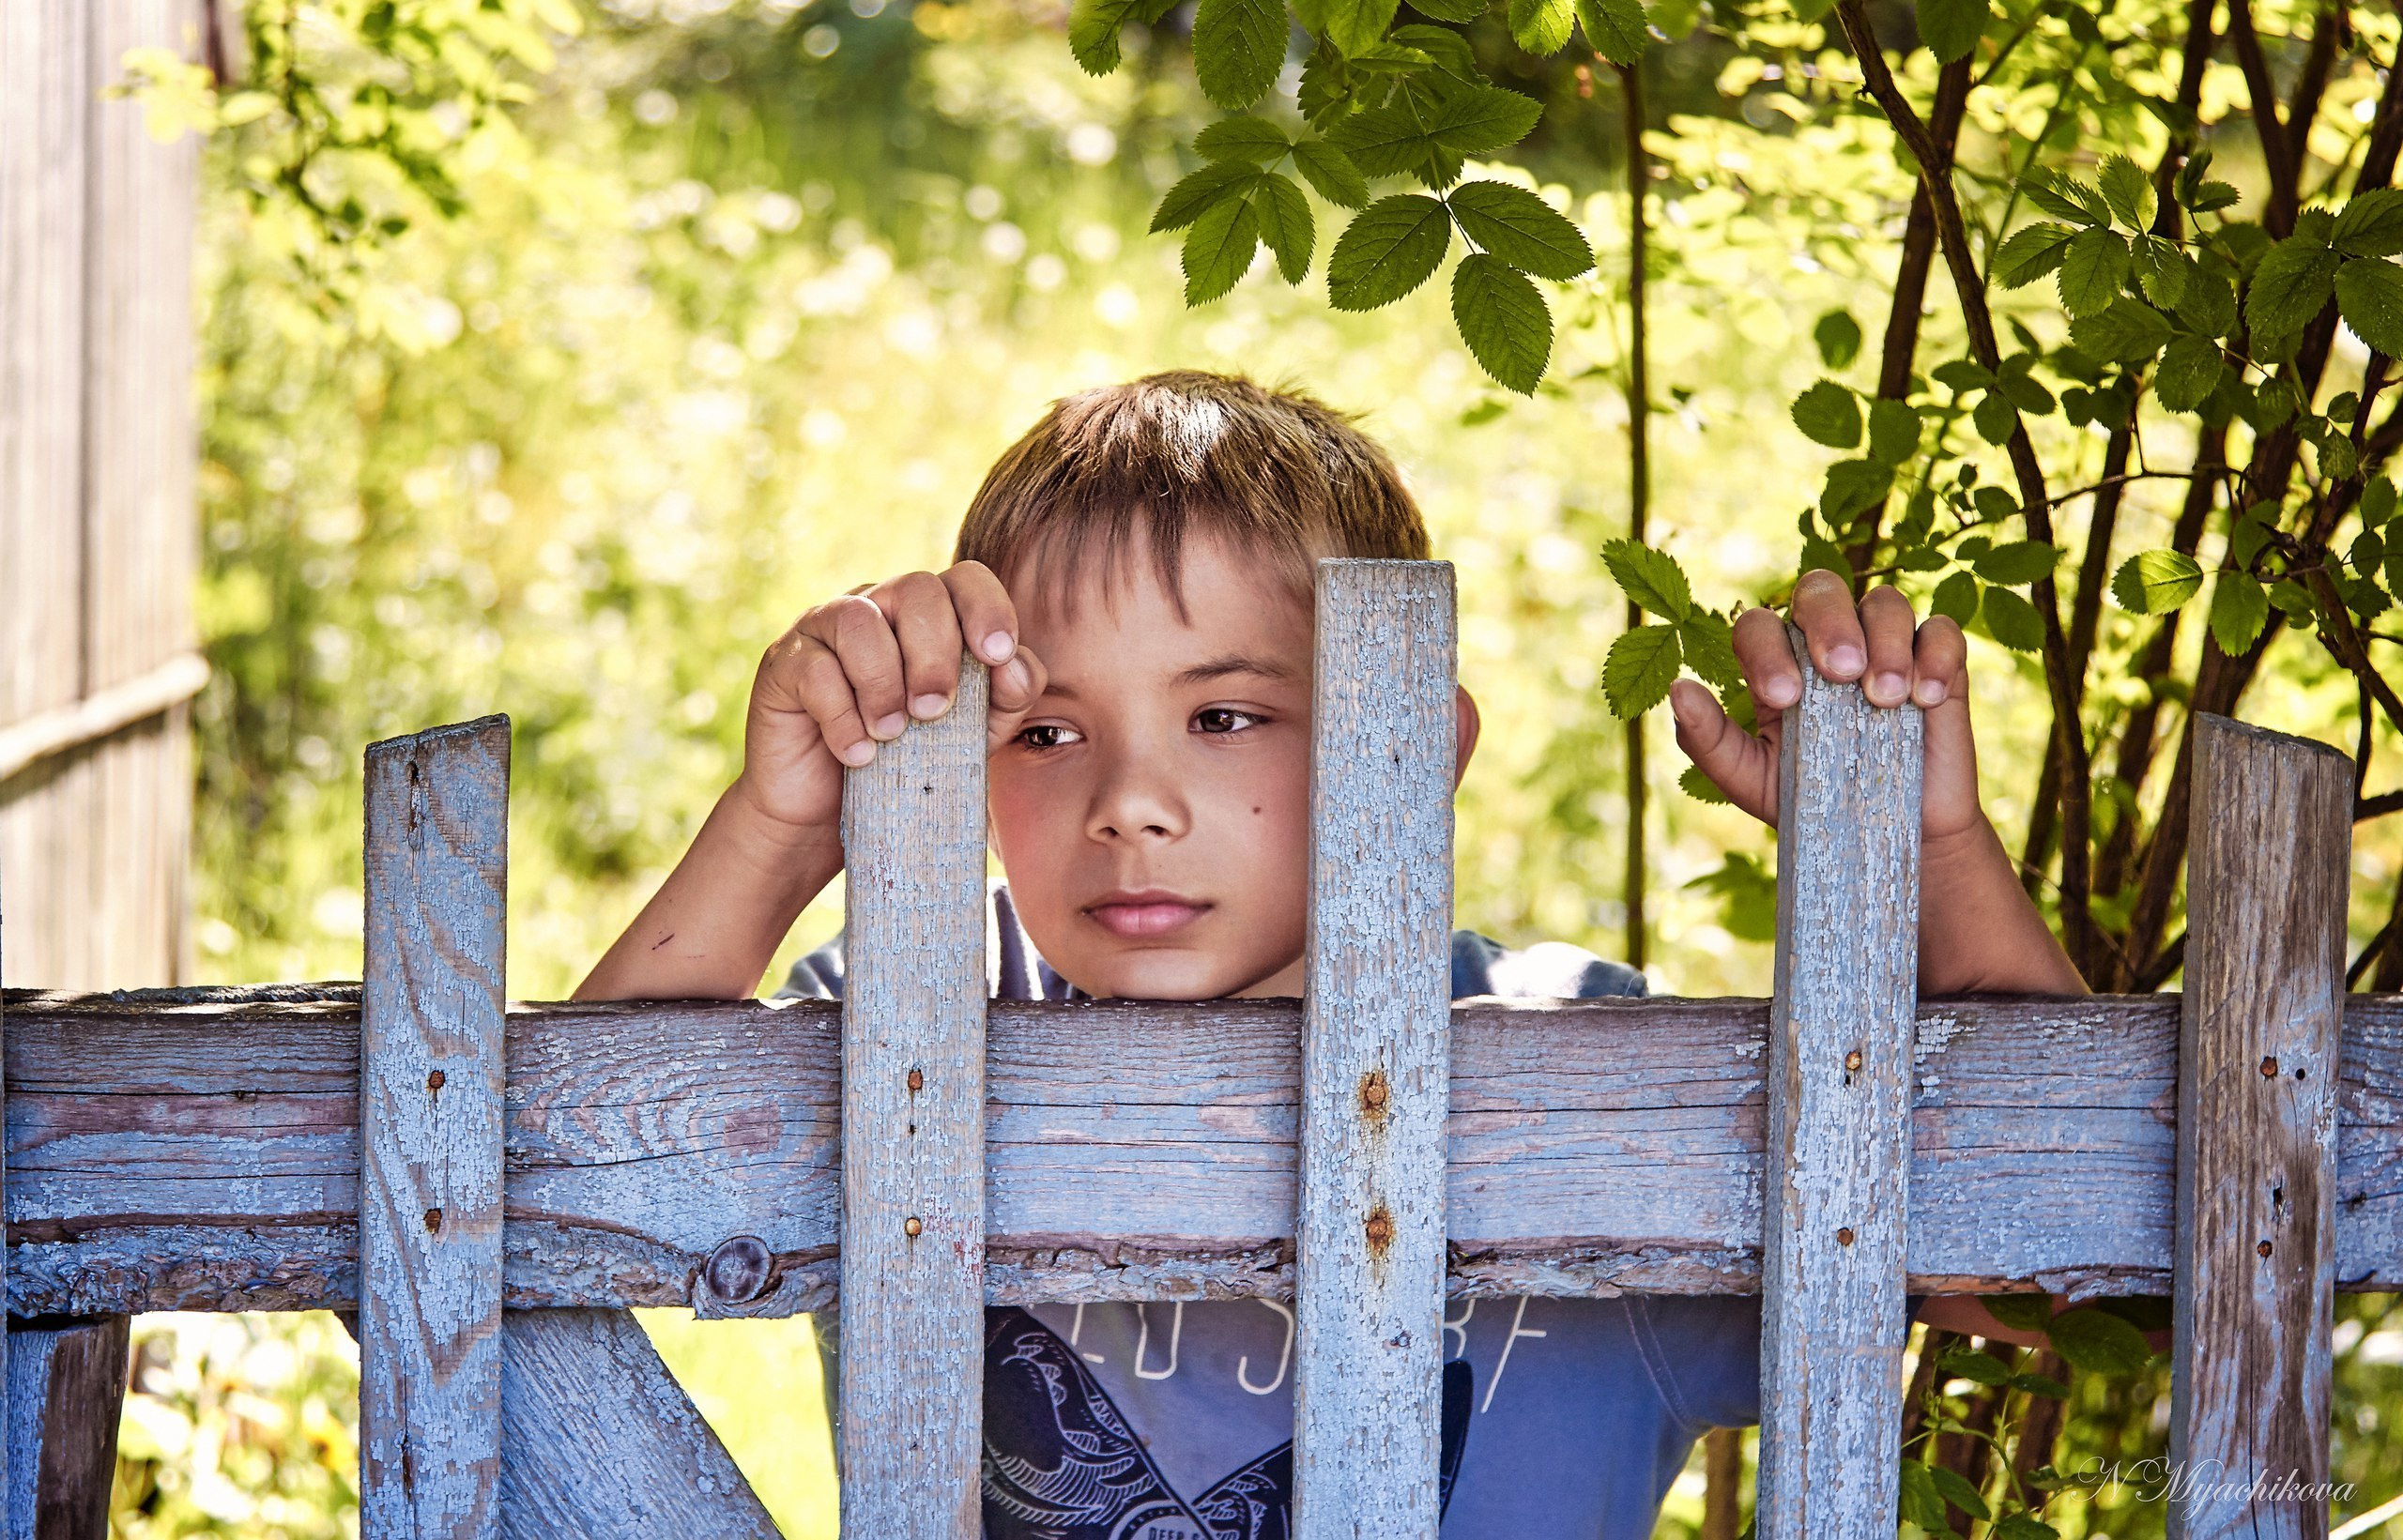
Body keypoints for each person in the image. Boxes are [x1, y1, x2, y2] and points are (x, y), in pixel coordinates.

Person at [578, 371, 2086, 1537]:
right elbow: (567, 1192)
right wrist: (785, 824)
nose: (1131, 802)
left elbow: (2058, 1280)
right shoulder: (923, 1016)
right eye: (1044, 732)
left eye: (1224, 714)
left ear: (1411, 743)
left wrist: (1931, 855)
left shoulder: (1578, 1066)